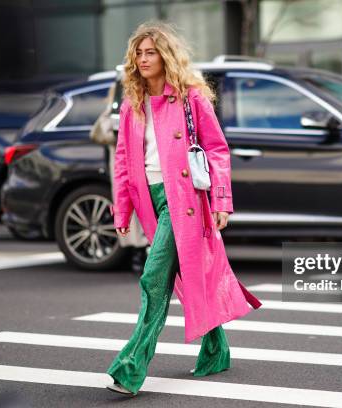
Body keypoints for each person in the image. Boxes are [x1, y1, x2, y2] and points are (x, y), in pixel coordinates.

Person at [105, 21, 262, 396]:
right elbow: (124, 161)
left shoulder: (190, 97)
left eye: (150, 52)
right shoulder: (132, 103)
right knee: (190, 275)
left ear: (166, 55)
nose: (143, 59)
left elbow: (217, 149)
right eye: (138, 53)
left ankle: (130, 368)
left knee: (154, 278)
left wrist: (222, 201)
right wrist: (121, 211)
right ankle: (216, 349)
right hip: (151, 200)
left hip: (186, 200)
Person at [90, 81, 149, 275]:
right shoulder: (122, 104)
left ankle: (139, 251)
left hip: (140, 164)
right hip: (125, 164)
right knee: (131, 207)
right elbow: (104, 132)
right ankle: (138, 251)